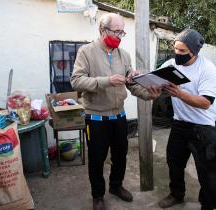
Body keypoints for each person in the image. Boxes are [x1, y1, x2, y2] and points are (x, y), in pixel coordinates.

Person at [70, 13, 161, 210]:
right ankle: (98, 196)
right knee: (97, 159)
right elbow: (76, 81)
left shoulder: (124, 55)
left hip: (119, 117)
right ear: (103, 30)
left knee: (120, 156)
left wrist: (150, 94)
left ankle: (116, 187)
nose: (120, 36)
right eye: (117, 31)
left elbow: (132, 85)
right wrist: (106, 81)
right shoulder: (86, 52)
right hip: (96, 118)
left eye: (122, 32)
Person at [158, 29, 216, 210]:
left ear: (194, 51)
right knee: (174, 161)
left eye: (182, 51)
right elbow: (156, 79)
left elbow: (205, 102)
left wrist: (179, 93)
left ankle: (207, 203)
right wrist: (149, 84)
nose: (177, 54)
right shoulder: (171, 64)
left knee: (207, 169)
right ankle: (176, 194)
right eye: (176, 49)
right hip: (179, 123)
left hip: (204, 127)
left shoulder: (207, 68)